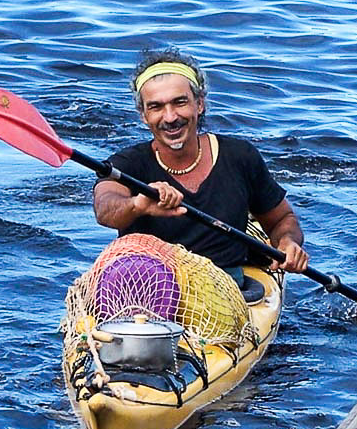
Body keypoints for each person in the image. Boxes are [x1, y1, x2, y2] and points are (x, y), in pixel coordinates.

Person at [93, 48, 309, 286]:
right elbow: (105, 209)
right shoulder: (126, 165)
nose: (170, 117)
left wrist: (288, 243)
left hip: (226, 287)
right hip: (148, 285)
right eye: (156, 107)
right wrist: (137, 205)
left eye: (180, 102)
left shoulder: (239, 156)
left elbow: (282, 219)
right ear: (143, 115)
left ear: (200, 104)